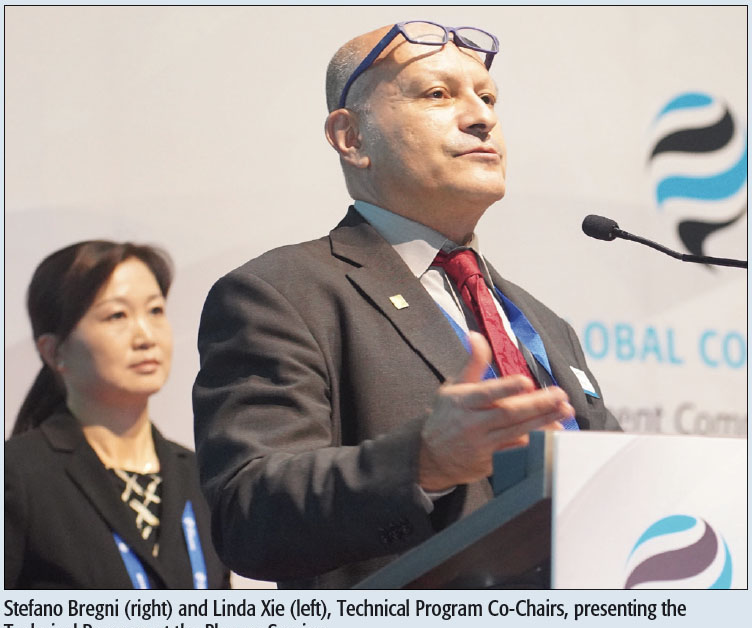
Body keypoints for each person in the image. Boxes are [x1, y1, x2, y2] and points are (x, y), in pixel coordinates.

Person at [193, 20, 620, 589]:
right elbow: (249, 515)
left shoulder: (544, 324)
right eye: (438, 95)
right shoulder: (282, 292)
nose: (481, 116)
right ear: (352, 138)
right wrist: (422, 462)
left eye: (488, 97)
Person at [5, 240, 228, 589]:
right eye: (117, 315)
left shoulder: (202, 477)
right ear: (54, 351)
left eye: (155, 311)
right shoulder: (18, 475)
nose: (146, 336)